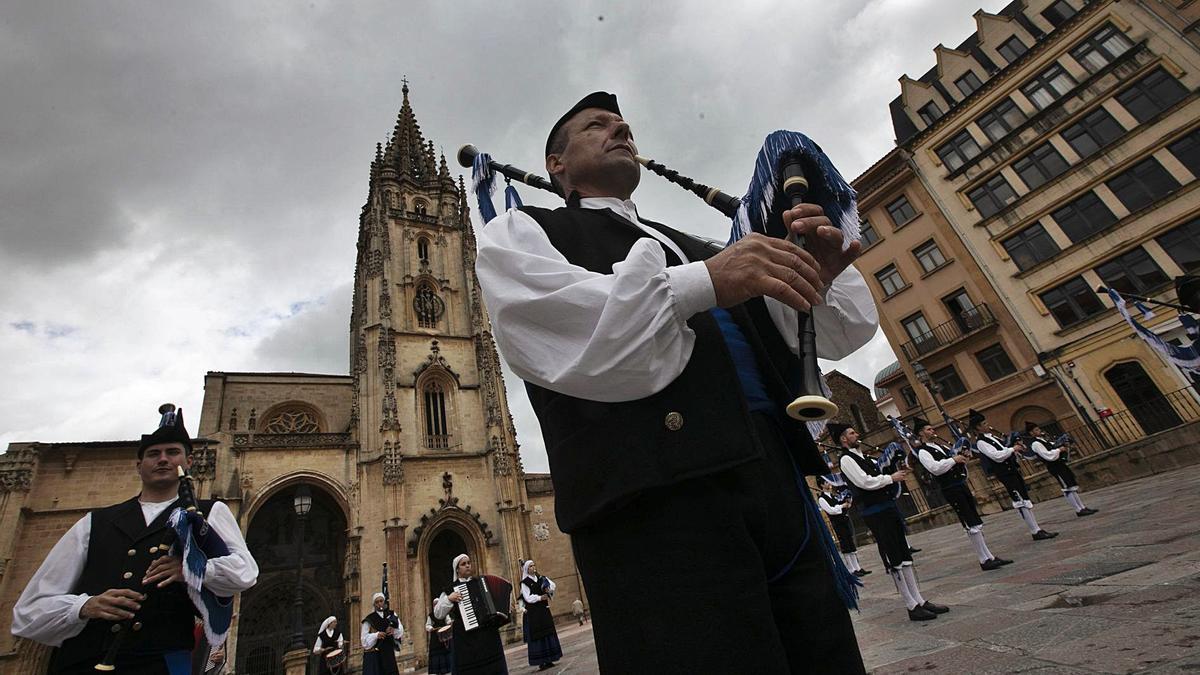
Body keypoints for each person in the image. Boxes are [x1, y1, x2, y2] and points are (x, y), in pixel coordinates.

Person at [475, 91, 876, 673]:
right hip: (658, 509)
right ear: (555, 164)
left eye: (624, 124)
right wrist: (707, 280)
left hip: (778, 486)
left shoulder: (697, 246)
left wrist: (815, 275)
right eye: (597, 126)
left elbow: (817, 335)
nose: (620, 130)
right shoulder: (524, 231)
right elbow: (556, 328)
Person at [11, 404, 258, 674]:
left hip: (160, 662)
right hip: (81, 661)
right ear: (139, 466)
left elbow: (244, 572)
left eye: (173, 452)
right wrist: (84, 605)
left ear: (189, 462)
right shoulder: (94, 523)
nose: (163, 459)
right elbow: (27, 612)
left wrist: (191, 568)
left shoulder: (208, 513)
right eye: (153, 454)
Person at [834, 423, 948, 622]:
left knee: (904, 554)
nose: (857, 434)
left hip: (887, 508)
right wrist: (890, 478)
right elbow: (865, 482)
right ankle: (910, 604)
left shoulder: (864, 457)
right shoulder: (846, 459)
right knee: (893, 556)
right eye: (852, 433)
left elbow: (879, 472)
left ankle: (919, 599)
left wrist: (895, 470)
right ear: (843, 439)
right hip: (875, 512)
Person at [911, 419, 1013, 571]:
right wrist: (953, 460)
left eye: (932, 429)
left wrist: (961, 458)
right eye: (928, 429)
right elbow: (935, 468)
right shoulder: (924, 451)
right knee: (969, 522)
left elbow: (953, 460)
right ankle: (983, 559)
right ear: (921, 433)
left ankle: (989, 556)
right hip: (950, 488)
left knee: (975, 520)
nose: (932, 431)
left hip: (960, 484)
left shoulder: (941, 446)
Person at [968, 410, 1058, 541]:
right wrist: (1012, 449)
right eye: (984, 423)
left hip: (1012, 470)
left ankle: (1037, 528)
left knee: (1025, 499)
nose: (987, 424)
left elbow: (1005, 450)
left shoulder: (993, 437)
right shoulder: (982, 442)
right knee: (1020, 501)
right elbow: (997, 456)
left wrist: (1016, 448)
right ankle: (1034, 530)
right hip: (1005, 473)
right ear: (978, 427)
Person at [434, 554, 507, 675]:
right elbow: (438, 614)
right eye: (463, 564)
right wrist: (449, 599)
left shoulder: (481, 582)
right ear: (457, 569)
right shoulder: (451, 588)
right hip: (466, 638)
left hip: (487, 635)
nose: (467, 566)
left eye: (468, 563)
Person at [1027, 422, 1097, 517]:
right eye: (1036, 430)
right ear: (1031, 433)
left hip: (1060, 464)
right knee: (1067, 488)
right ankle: (1078, 509)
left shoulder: (1044, 440)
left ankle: (1082, 507)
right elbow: (1048, 455)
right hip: (1054, 466)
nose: (1039, 431)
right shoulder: (1036, 444)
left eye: (1038, 429)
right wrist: (1059, 450)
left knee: (1071, 486)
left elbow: (1054, 445)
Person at [816, 477, 870, 577]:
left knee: (850, 543)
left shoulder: (833, 495)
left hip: (844, 520)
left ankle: (857, 567)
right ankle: (851, 569)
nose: (829, 484)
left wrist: (846, 504)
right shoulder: (822, 499)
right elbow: (831, 510)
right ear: (822, 485)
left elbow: (841, 504)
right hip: (838, 523)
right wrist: (842, 506)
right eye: (826, 482)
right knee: (845, 544)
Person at [519, 560, 562, 670]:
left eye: (534, 565)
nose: (533, 567)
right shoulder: (525, 583)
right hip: (534, 613)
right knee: (538, 635)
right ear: (527, 569)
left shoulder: (541, 578)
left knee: (547, 632)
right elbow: (527, 597)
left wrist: (549, 590)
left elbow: (553, 585)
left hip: (544, 610)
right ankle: (541, 661)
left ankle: (550, 658)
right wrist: (539, 597)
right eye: (530, 566)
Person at [361, 592, 403, 675]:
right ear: (374, 604)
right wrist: (376, 635)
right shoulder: (369, 619)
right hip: (377, 654)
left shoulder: (391, 614)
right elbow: (364, 640)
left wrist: (393, 631)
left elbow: (400, 630)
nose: (379, 604)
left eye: (381, 601)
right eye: (377, 602)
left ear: (384, 602)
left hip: (389, 651)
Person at [425, 601, 453, 675]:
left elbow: (448, 621)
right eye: (435, 605)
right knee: (436, 655)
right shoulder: (431, 615)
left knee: (446, 652)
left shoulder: (444, 613)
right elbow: (427, 625)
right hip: (435, 637)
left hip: (444, 636)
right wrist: (432, 629)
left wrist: (450, 623)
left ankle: (447, 671)